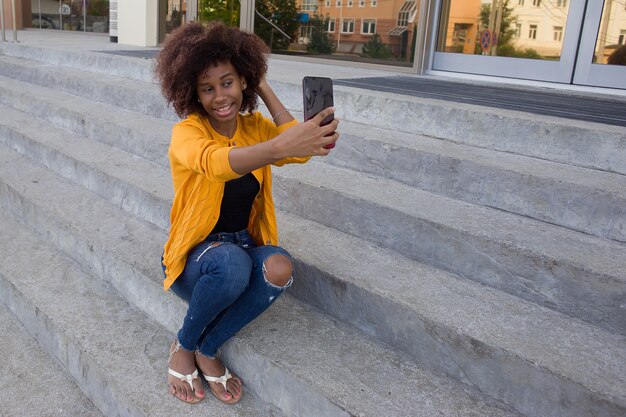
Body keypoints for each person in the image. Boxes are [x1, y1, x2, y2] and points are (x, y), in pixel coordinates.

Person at [154, 21, 339, 405]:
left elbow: (301, 151)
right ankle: (183, 346)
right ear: (193, 93)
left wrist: (264, 86)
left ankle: (208, 348)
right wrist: (282, 145)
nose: (220, 95)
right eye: (208, 88)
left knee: (280, 269)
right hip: (196, 258)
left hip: (240, 245)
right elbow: (218, 162)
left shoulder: (254, 126)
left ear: (243, 83)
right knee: (232, 264)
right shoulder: (188, 133)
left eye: (229, 82)